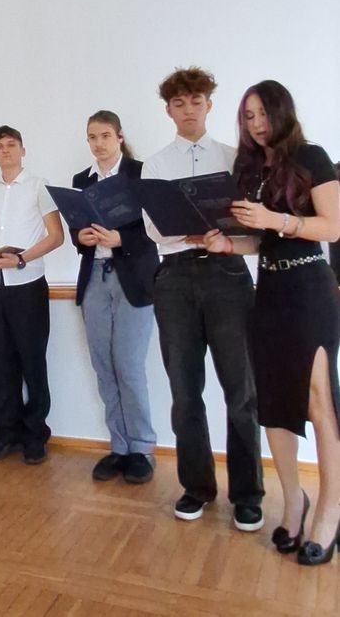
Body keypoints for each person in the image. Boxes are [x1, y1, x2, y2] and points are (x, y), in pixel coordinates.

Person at [203, 80, 340, 565]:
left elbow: (333, 226)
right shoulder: (249, 170)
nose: (256, 124)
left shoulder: (312, 157)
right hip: (270, 292)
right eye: (248, 116)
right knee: (274, 406)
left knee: (319, 402)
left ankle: (330, 509)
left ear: (282, 112)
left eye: (262, 113)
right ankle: (293, 503)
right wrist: (228, 244)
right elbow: (259, 241)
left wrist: (276, 220)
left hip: (310, 291)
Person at [142, 67, 264, 529]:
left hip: (227, 275)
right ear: (168, 110)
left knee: (241, 389)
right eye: (179, 103)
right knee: (184, 390)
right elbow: (154, 229)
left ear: (209, 105)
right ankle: (196, 487)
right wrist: (190, 233)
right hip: (174, 278)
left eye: (196, 101)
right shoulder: (155, 165)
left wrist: (222, 236)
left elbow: (250, 226)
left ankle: (248, 493)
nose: (188, 110)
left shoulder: (236, 159)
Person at [71, 111, 159, 483]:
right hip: (95, 276)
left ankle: (141, 449)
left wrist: (121, 238)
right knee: (104, 365)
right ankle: (119, 447)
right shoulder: (82, 180)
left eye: (105, 136)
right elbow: (77, 229)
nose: (99, 143)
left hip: (133, 279)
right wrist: (81, 238)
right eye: (92, 137)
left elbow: (158, 228)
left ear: (120, 137)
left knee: (128, 365)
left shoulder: (141, 172)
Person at [0, 125, 64, 464]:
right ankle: (6, 433)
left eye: (11, 145)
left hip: (27, 284)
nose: (5, 150)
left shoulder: (39, 185)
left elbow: (56, 236)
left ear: (23, 151)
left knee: (32, 361)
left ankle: (35, 434)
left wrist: (22, 258)